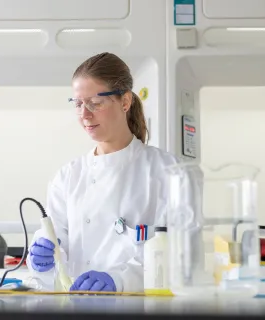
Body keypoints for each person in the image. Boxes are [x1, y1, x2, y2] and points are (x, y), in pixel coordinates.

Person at [26, 52, 195, 293]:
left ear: (125, 102)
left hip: (141, 309)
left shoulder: (170, 173)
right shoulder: (67, 177)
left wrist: (119, 280)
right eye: (78, 103)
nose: (84, 114)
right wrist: (43, 260)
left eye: (95, 103)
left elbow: (181, 254)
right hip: (76, 306)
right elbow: (55, 246)